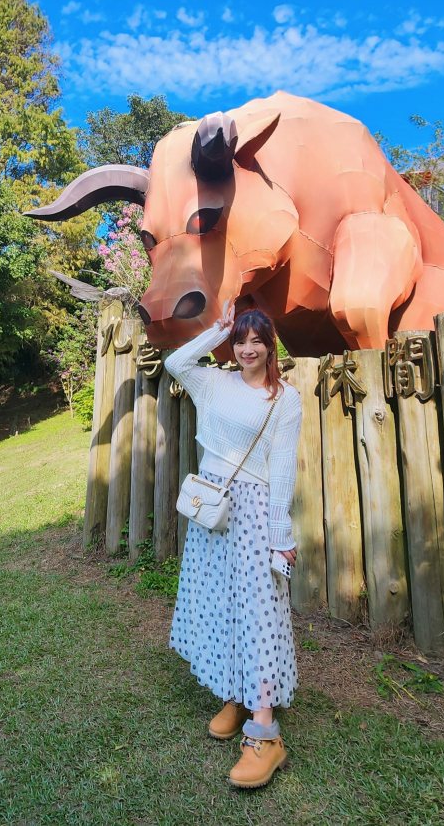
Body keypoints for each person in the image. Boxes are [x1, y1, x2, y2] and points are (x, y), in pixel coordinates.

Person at [164, 299, 304, 789]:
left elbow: (283, 471)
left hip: (253, 513)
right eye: (240, 340)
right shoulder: (213, 383)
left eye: (256, 339)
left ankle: (265, 734)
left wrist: (278, 536)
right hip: (211, 509)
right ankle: (236, 694)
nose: (247, 348)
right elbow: (175, 362)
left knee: (258, 610)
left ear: (271, 346)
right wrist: (216, 327)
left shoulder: (285, 400)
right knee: (221, 605)